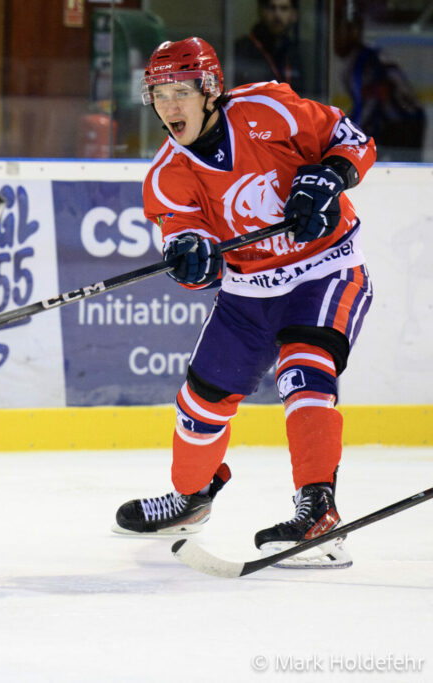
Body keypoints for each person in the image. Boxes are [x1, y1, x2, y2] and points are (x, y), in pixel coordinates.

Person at [112, 38, 375, 569]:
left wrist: (330, 176)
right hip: (248, 292)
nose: (168, 106)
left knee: (305, 372)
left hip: (325, 269)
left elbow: (352, 138)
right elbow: (184, 245)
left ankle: (319, 512)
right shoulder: (167, 175)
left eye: (180, 92)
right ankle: (191, 498)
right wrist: (189, 259)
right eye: (158, 94)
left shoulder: (267, 110)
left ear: (210, 90)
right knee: (200, 404)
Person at [334, 9, 426, 162]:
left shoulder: (362, 63)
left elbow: (369, 104)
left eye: (342, 32)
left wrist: (347, 131)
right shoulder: (363, 58)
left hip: (402, 124)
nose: (337, 39)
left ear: (355, 33)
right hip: (405, 122)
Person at [233, 0, 305, 91]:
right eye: (271, 8)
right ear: (261, 11)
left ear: (294, 14)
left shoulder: (293, 51)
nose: (277, 15)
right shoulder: (243, 48)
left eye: (284, 8)